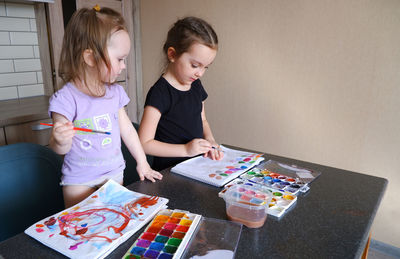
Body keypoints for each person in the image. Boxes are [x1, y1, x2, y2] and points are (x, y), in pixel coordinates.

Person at [48, 6, 162, 208]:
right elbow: (60, 149)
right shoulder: (65, 99)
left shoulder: (115, 93)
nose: (124, 66)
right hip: (79, 181)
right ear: (90, 57)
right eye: (120, 59)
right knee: (83, 229)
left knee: (112, 224)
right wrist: (59, 139)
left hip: (113, 175)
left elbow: (127, 129)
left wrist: (142, 161)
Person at [139, 16, 224, 171]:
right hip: (169, 173)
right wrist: (185, 150)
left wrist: (210, 139)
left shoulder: (196, 85)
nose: (200, 73)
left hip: (197, 167)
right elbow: (144, 143)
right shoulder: (159, 93)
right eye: (195, 65)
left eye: (206, 67)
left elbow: (203, 120)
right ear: (172, 54)